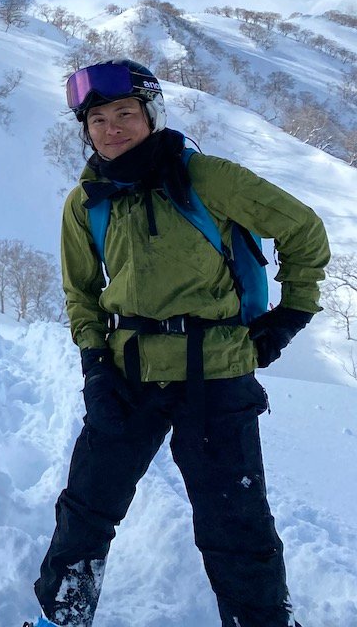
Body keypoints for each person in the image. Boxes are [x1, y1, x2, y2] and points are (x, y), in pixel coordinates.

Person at [28, 59, 329, 627]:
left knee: (235, 523)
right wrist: (95, 364)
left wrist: (290, 314)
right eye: (98, 119)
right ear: (84, 129)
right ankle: (60, 617)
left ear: (151, 116)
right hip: (127, 374)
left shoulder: (207, 178)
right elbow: (81, 292)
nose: (112, 128)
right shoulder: (86, 201)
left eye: (125, 114)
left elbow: (304, 230)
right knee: (86, 509)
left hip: (216, 373)